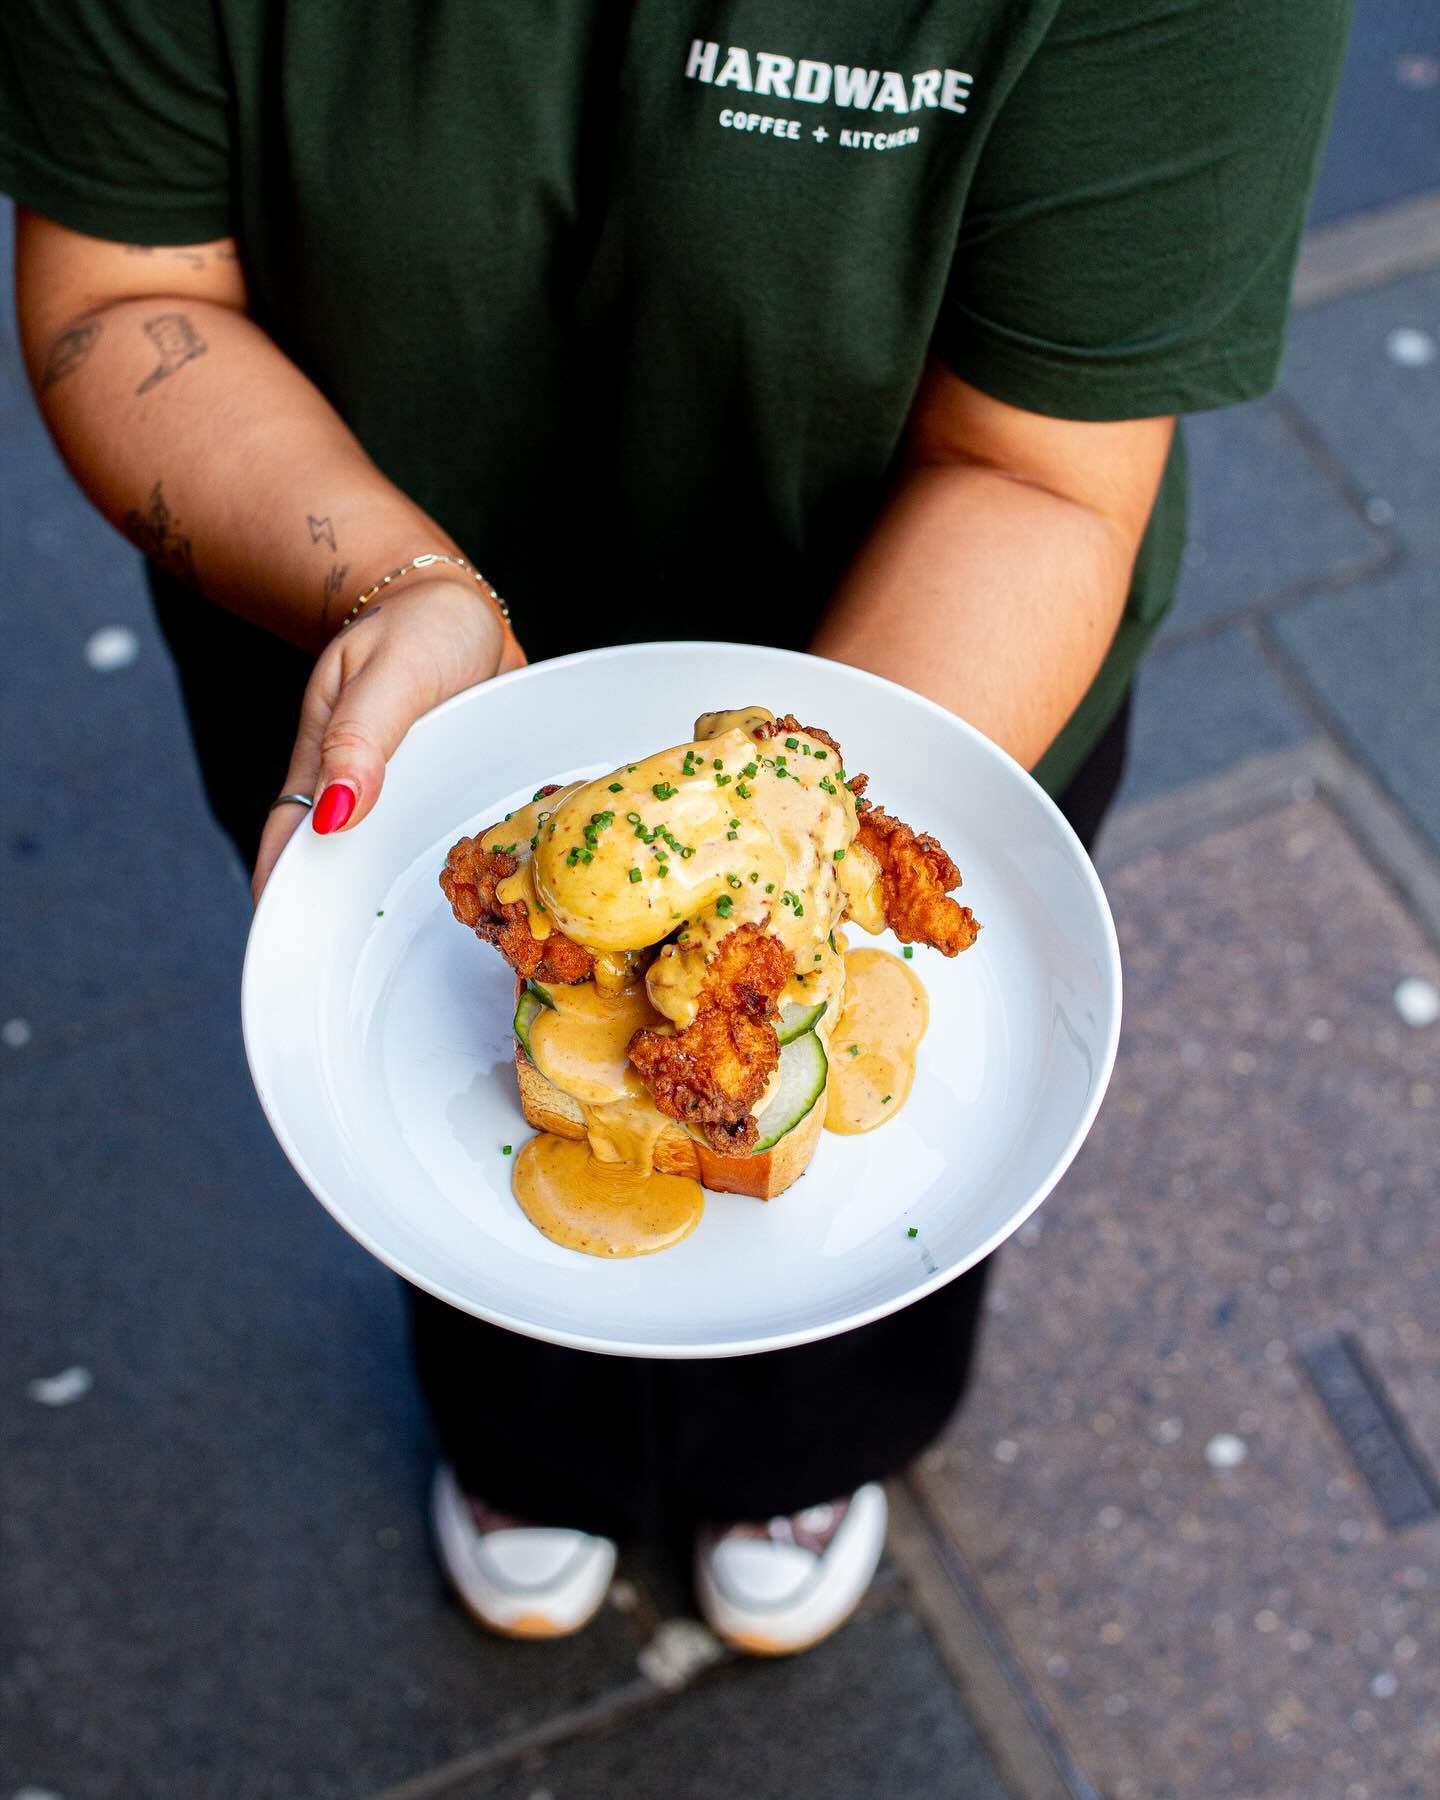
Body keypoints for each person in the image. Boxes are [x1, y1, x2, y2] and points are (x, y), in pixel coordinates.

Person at [2, 0, 1350, 1652]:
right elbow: (124, 291)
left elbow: (1039, 467)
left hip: (929, 675)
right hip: (363, 657)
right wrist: (399, 586)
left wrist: (797, 856)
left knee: (847, 1181)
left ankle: (806, 1454)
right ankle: (524, 1452)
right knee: (447, 1122)